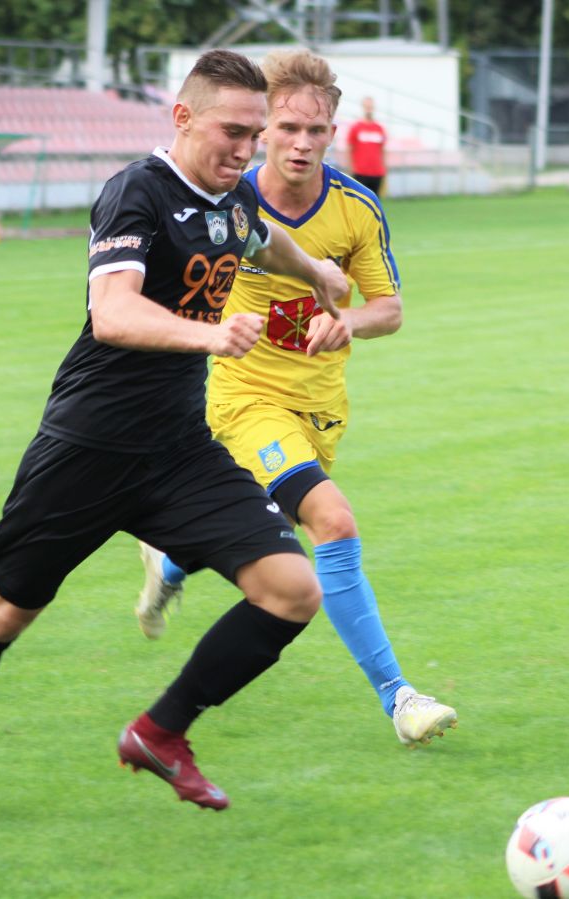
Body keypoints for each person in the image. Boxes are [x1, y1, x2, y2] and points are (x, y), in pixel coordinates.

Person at [0, 49, 350, 825]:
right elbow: (114, 312)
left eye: (255, 134)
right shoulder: (137, 191)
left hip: (178, 452)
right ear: (183, 117)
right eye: (233, 132)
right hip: (88, 449)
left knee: (293, 590)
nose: (247, 149)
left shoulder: (234, 198)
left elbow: (260, 237)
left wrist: (317, 273)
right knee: (6, 611)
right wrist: (209, 337)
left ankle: (160, 732)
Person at [134, 49, 458, 748]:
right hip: (244, 397)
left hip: (320, 406)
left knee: (259, 521)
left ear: (333, 132)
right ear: (263, 130)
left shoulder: (355, 209)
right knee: (331, 522)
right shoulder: (229, 197)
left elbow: (389, 309)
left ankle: (168, 561)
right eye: (287, 128)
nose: (302, 143)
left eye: (316, 130)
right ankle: (400, 697)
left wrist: (349, 322)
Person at [346, 96, 387, 195]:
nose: (369, 109)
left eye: (370, 107)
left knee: (375, 201)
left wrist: (385, 169)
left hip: (377, 172)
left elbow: (383, 150)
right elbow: (349, 149)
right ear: (363, 107)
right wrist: (350, 168)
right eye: (367, 107)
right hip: (360, 172)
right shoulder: (356, 128)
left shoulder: (379, 128)